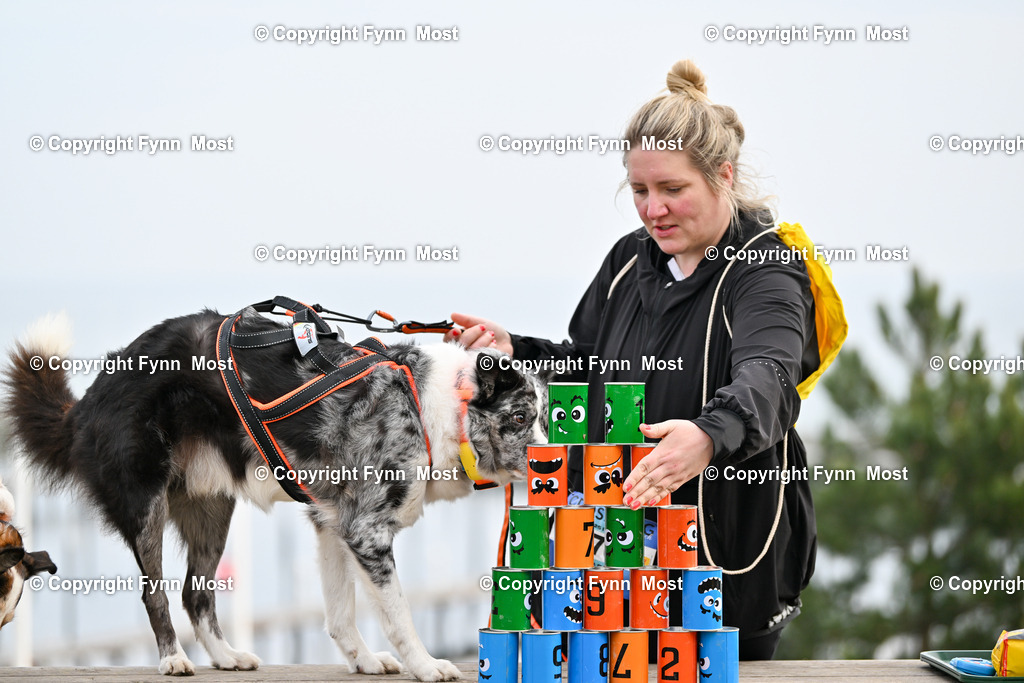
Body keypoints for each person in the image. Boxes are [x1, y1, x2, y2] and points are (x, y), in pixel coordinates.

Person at [447, 59, 821, 659]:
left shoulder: (766, 271)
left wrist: (705, 436)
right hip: (614, 551)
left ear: (722, 175)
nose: (653, 210)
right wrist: (518, 351)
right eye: (641, 190)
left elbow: (770, 378)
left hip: (728, 553)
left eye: (673, 189)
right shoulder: (628, 259)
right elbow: (591, 363)